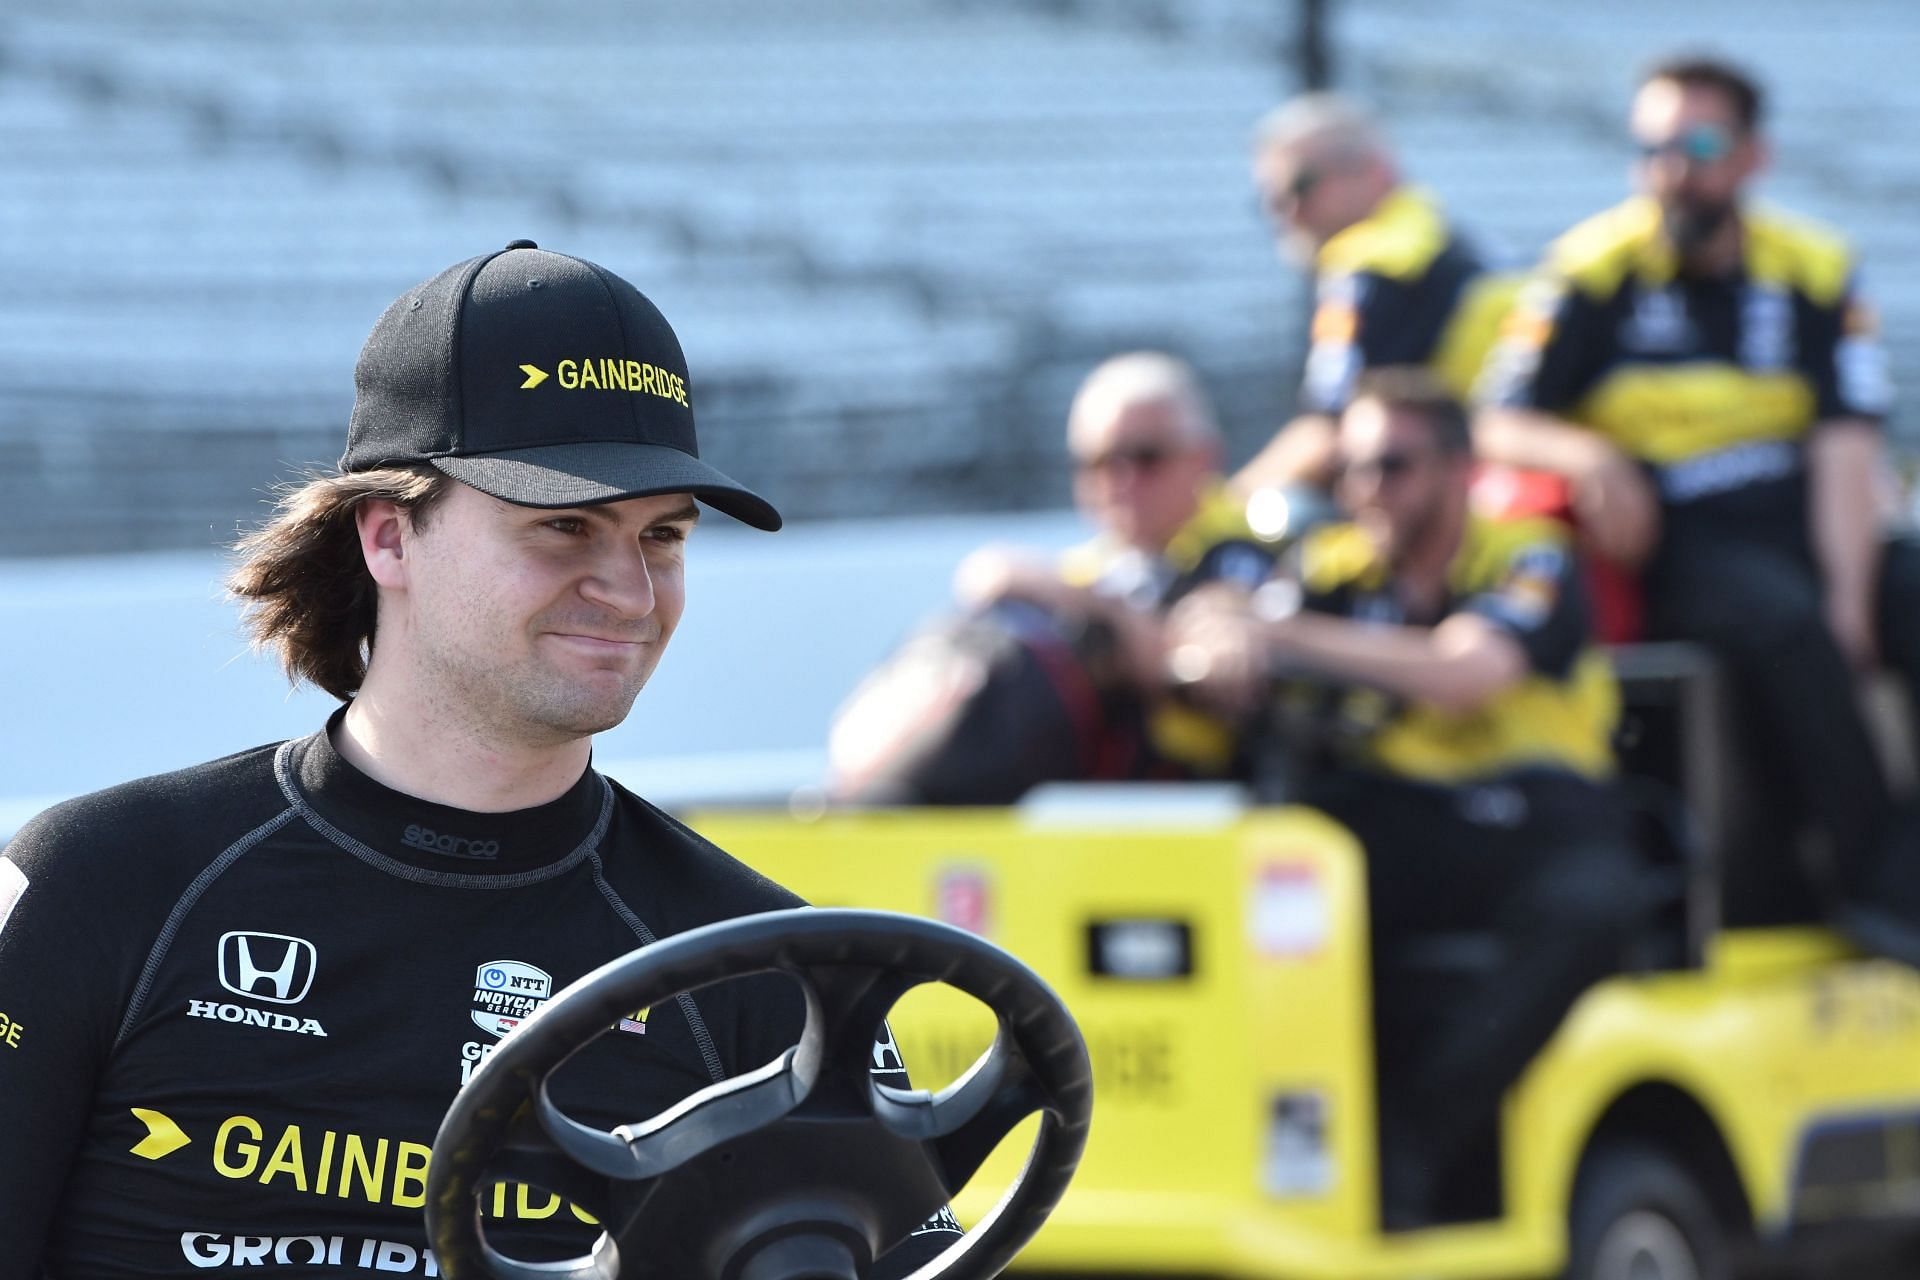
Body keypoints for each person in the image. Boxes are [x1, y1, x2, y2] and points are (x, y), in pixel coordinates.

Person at [0, 242, 962, 1277]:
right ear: (388, 538)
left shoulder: (765, 973)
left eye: (664, 536)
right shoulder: (103, 882)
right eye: (564, 525)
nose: (632, 591)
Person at [1170, 370, 1644, 1228]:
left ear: (1461, 468)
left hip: (1547, 821)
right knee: (1266, 866)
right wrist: (1223, 636)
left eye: (1392, 466)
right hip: (1406, 824)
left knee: (1593, 905)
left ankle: (1411, 1148)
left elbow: (1464, 674)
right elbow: (1218, 617)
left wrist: (1277, 635)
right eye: (1349, 469)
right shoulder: (1336, 564)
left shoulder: (1529, 554)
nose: (1364, 490)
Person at [1475, 55, 1920, 948]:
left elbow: (1845, 447)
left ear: (1754, 156)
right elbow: (1494, 420)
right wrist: (1588, 454)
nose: (1672, 167)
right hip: (1676, 538)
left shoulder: (1813, 268)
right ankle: (1879, 888)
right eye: (1652, 146)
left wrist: (1853, 593)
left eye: (1699, 143)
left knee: (1893, 593)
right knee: (1788, 625)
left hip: (1795, 516)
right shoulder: (1589, 272)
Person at [841, 352, 1277, 797]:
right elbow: (987, 579)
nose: (1121, 479)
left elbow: (1194, 645)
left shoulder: (1245, 542)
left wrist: (1083, 606)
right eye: (1098, 462)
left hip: (1193, 797)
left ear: (1203, 457)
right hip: (1083, 802)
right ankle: (870, 796)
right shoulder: (1092, 567)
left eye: (1146, 456)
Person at [1237, 92, 1515, 495]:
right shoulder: (1444, 238)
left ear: (1375, 172)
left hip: (1474, 488)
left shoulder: (1370, 265)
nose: (1288, 212)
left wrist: (1223, 513)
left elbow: (1326, 433)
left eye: (1302, 185)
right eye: (1271, 199)